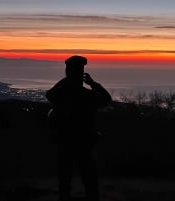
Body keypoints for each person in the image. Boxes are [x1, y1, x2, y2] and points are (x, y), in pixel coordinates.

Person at [46, 55, 112, 201]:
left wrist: (63, 81)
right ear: (81, 73)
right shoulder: (88, 95)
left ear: (67, 72)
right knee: (89, 176)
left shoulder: (61, 94)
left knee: (65, 176)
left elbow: (49, 94)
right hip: (84, 141)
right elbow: (107, 99)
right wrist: (94, 84)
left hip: (65, 141)